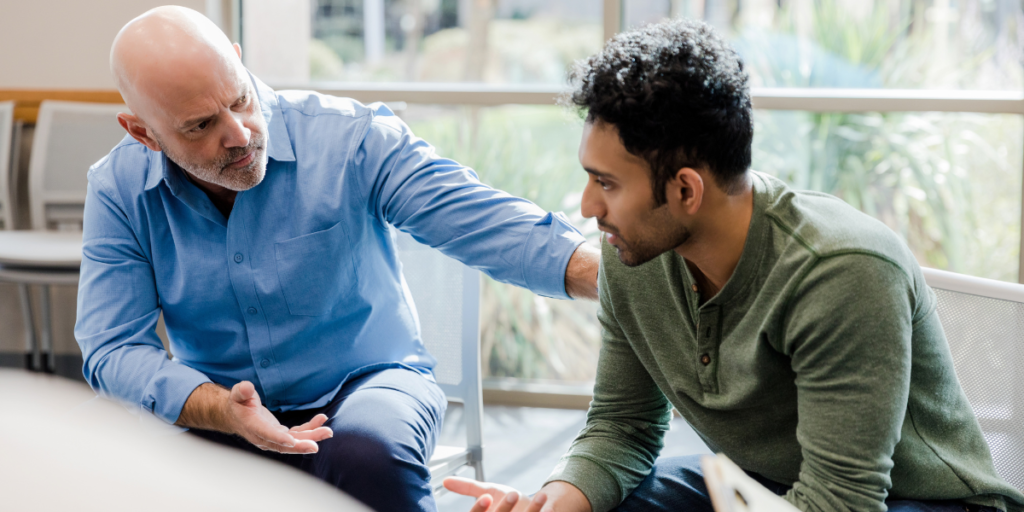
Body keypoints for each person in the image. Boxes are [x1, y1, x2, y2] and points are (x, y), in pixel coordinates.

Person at [444, 18, 1024, 512]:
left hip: (917, 500)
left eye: (606, 184)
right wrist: (555, 501)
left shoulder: (841, 272)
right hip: (766, 487)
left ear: (685, 190)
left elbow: (841, 500)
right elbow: (623, 427)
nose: (588, 208)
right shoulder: (634, 254)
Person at [74, 6, 599, 512]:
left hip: (368, 380)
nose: (239, 134)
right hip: (223, 400)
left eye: (239, 99)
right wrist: (220, 410)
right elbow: (112, 346)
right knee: (133, 478)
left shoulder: (348, 137)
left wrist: (611, 276)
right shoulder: (119, 190)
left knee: (368, 452)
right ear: (143, 133)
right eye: (200, 126)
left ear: (238, 59)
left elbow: (476, 218)